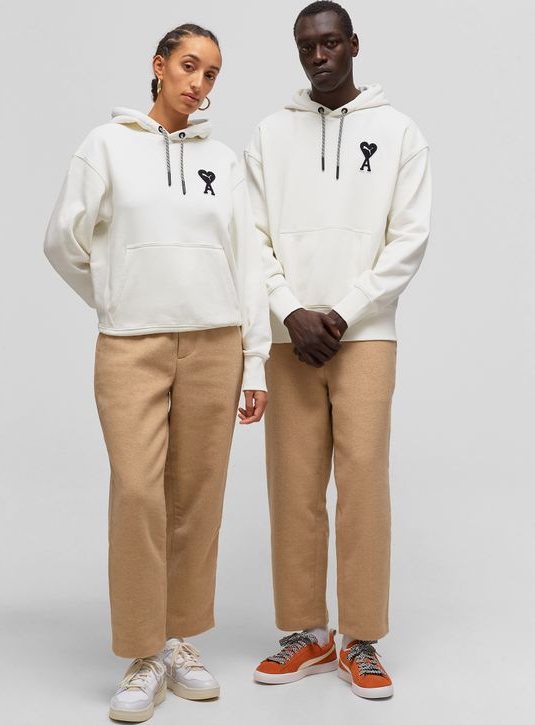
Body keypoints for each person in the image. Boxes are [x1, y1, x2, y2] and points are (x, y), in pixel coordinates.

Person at [43, 23, 271, 723]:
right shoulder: (106, 145)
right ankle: (142, 653)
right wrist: (112, 296)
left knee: (196, 497)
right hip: (131, 346)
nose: (198, 83)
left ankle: (178, 641)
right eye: (189, 66)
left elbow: (248, 263)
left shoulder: (224, 160)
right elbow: (60, 239)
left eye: (211, 74)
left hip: (216, 341)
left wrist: (255, 361)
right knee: (139, 492)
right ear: (159, 65)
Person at [244, 1, 431, 699]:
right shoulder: (268, 135)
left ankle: (362, 639)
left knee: (362, 488)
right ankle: (307, 634)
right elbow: (248, 236)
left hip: (366, 335)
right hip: (288, 335)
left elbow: (408, 239)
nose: (318, 56)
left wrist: (344, 313)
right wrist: (290, 310)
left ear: (354, 44)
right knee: (292, 487)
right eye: (305, 46)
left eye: (329, 43)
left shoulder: (399, 132)